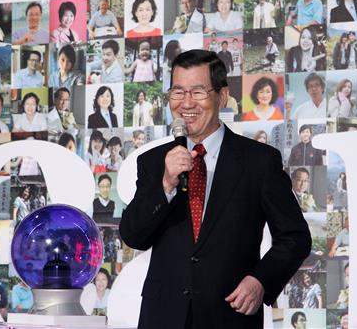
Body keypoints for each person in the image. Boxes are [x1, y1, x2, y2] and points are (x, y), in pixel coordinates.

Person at [119, 49, 311, 328]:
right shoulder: (154, 161)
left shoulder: (258, 161)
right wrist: (166, 183)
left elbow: (295, 237)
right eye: (177, 92)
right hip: (163, 317)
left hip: (230, 316)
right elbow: (133, 235)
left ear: (221, 96)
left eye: (198, 92)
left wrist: (261, 280)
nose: (186, 103)